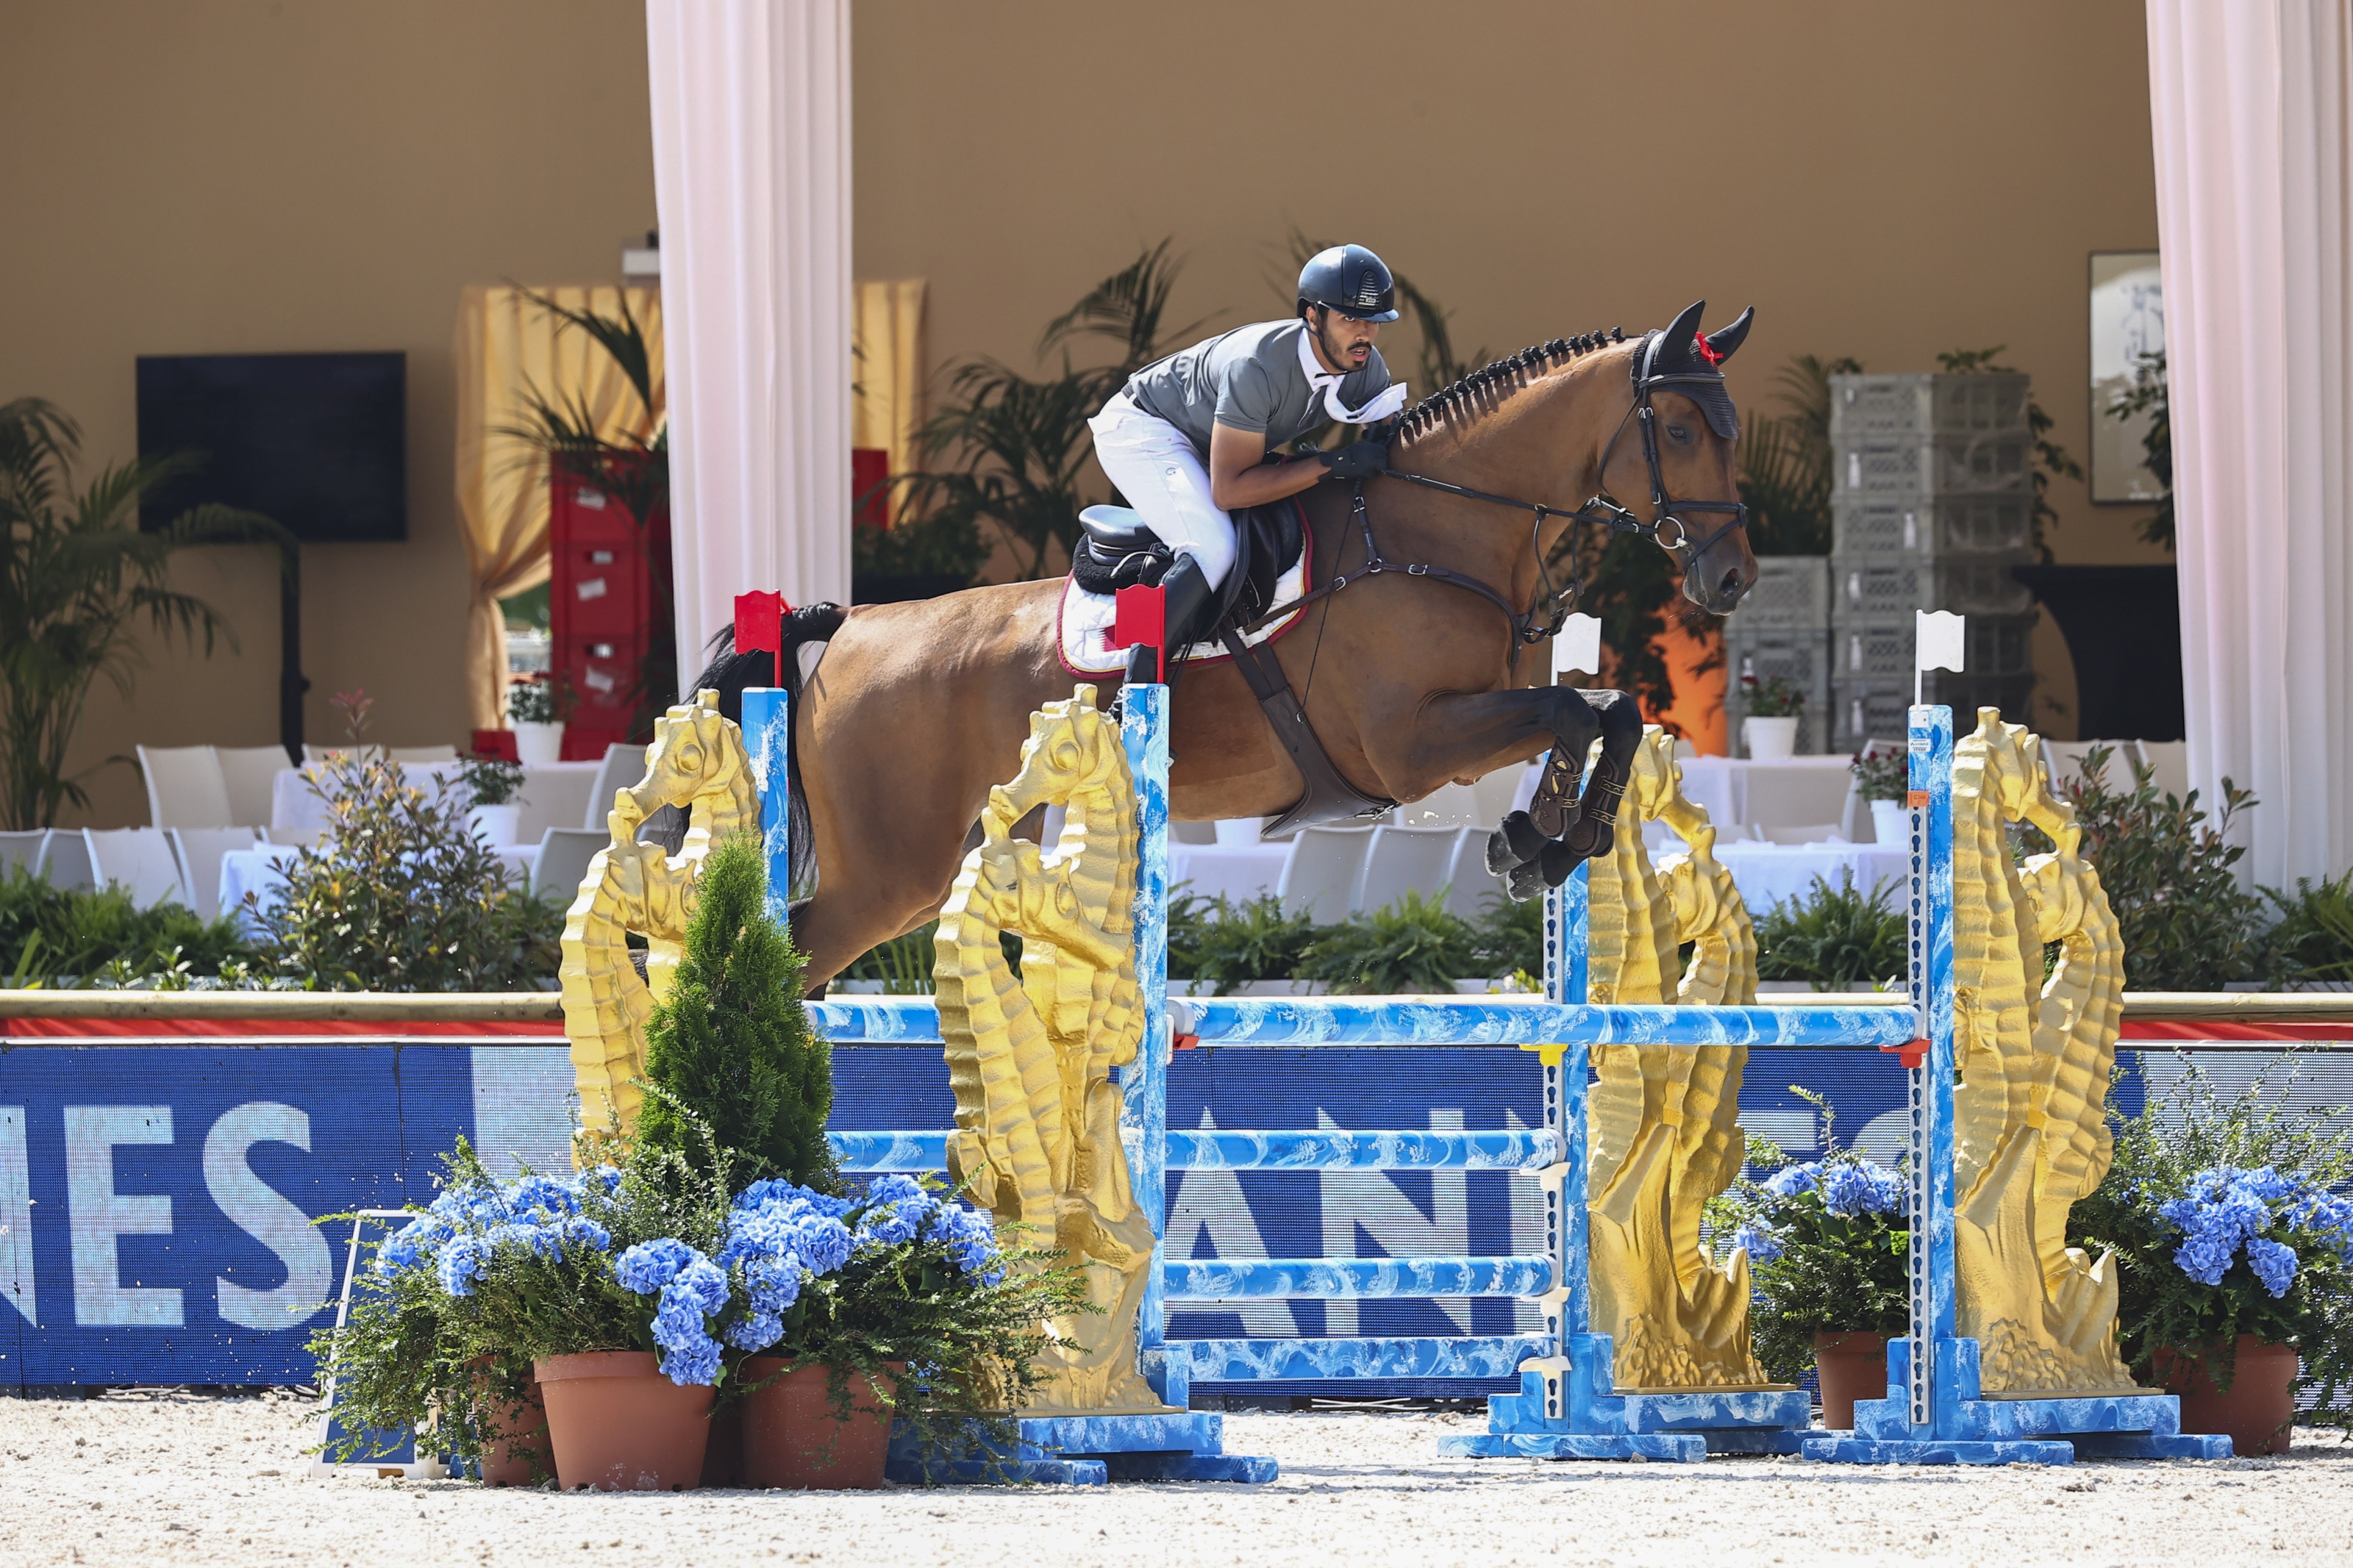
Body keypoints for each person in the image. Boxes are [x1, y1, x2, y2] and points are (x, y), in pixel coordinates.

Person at [1088, 243, 1410, 652]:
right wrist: (1330, 464)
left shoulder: (1363, 363)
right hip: (1144, 430)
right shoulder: (1257, 366)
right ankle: (1137, 680)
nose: (1364, 333)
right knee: (1213, 547)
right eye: (1350, 318)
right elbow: (1229, 491)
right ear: (1313, 316)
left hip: (1208, 443)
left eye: (1374, 321)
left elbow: (1394, 443)